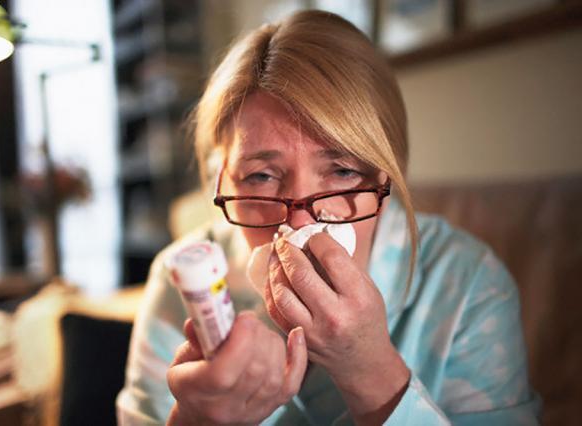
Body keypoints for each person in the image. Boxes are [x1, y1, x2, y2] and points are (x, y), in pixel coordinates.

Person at [116, 10, 540, 425]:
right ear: (220, 181)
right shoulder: (185, 285)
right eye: (261, 176)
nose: (300, 226)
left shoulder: (467, 285)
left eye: (342, 170)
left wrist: (370, 370)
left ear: (389, 176)